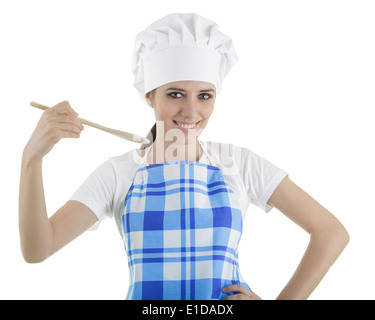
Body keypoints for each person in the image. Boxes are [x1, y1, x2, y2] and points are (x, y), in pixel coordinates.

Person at [19, 13, 349, 300]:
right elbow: (38, 250)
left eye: (204, 96)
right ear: (149, 95)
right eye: (175, 94)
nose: (191, 111)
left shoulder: (240, 164)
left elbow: (330, 232)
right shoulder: (118, 174)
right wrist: (32, 160)